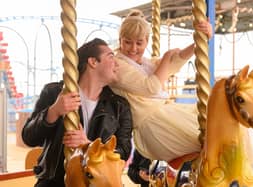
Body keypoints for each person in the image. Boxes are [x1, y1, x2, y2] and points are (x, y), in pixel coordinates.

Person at [22, 38, 133, 187]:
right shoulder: (54, 92)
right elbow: (29, 137)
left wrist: (89, 146)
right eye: (111, 57)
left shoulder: (119, 106)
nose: (117, 64)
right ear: (93, 62)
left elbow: (124, 151)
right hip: (54, 182)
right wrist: (53, 112)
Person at [110, 9, 213, 162]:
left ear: (147, 41)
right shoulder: (117, 65)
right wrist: (166, 58)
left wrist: (199, 40)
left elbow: (174, 62)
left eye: (139, 43)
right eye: (127, 42)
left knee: (216, 127)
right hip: (153, 126)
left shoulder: (144, 63)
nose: (133, 48)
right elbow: (151, 87)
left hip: (164, 115)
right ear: (120, 40)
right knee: (210, 140)